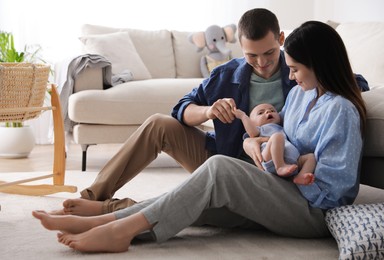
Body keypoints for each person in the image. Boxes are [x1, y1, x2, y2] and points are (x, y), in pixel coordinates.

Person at [33, 20, 367, 253]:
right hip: (270, 180)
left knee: (220, 170)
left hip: (310, 211)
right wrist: (258, 144)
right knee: (197, 202)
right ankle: (104, 217)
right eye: (289, 68)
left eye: (293, 67)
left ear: (318, 63)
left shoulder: (340, 111)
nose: (287, 74)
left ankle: (118, 231)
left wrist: (287, 172)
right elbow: (187, 109)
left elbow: (334, 195)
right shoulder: (298, 94)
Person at [233, 103, 315, 185]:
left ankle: (300, 177)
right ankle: (280, 166)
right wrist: (243, 116)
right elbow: (252, 133)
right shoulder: (261, 129)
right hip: (269, 157)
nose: (268, 111)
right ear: (252, 122)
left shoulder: (282, 127)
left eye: (272, 110)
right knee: (277, 137)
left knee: (311, 157)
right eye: (260, 113)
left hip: (294, 160)